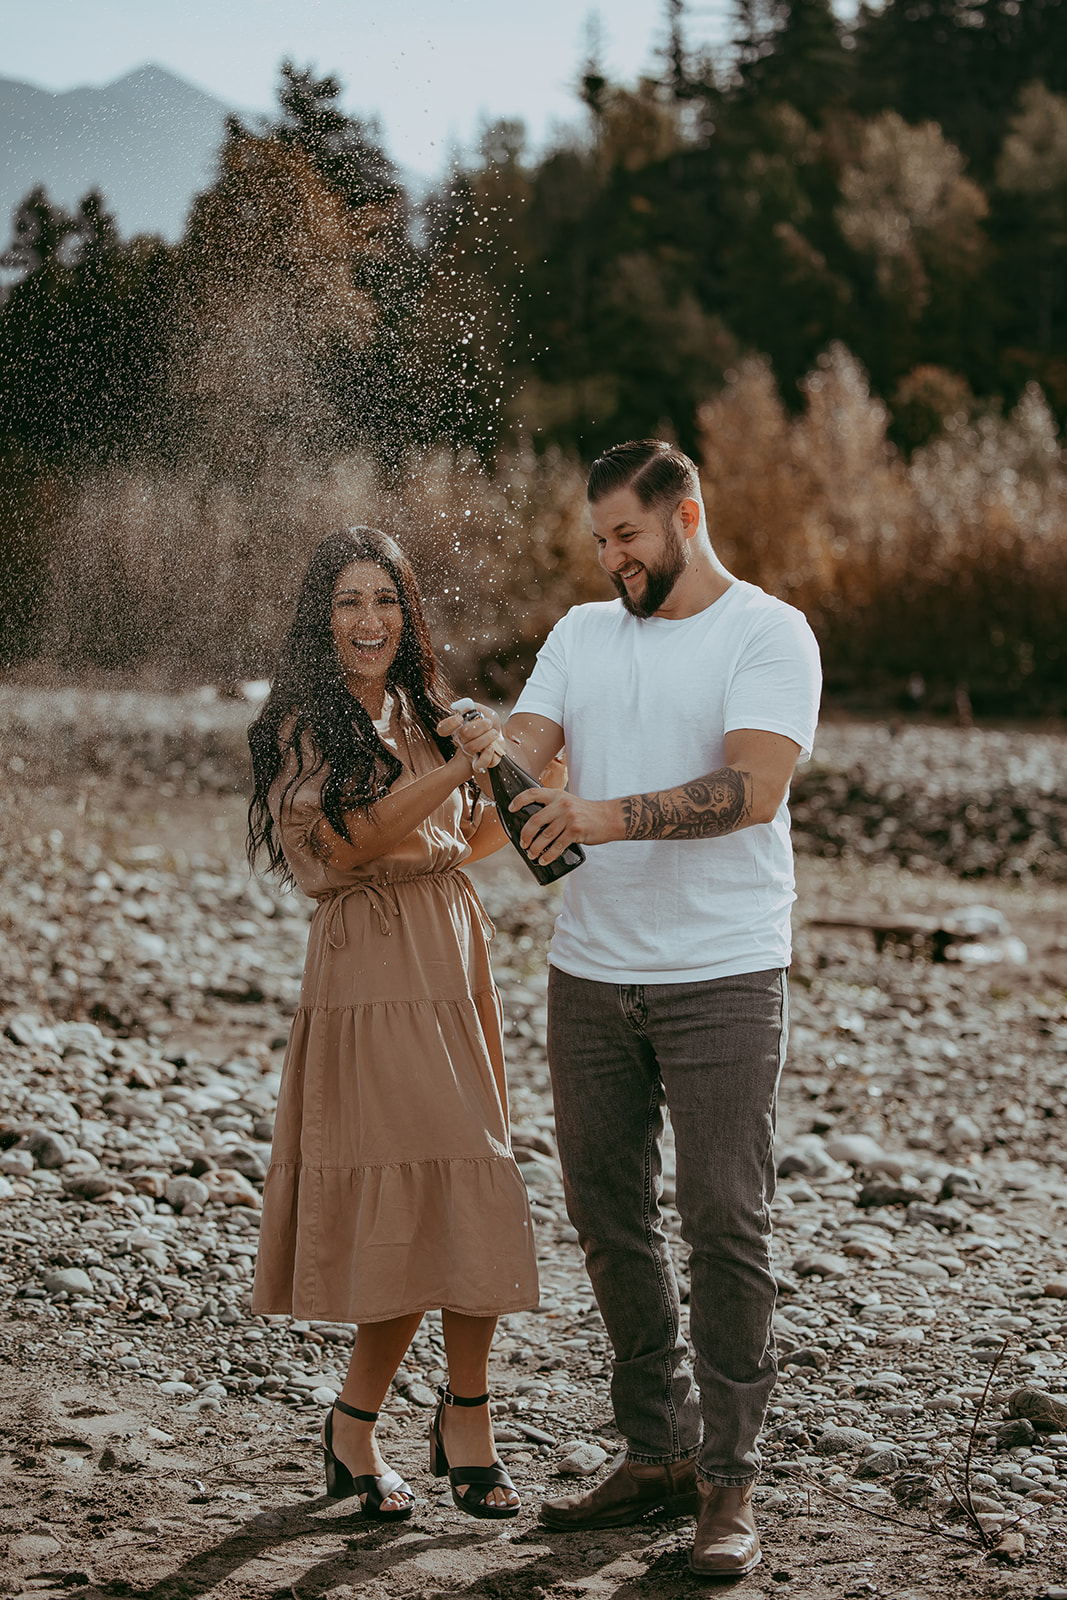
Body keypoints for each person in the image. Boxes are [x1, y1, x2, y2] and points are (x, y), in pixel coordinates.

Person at [444, 440, 821, 1575]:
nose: (611, 558)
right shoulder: (579, 633)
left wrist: (596, 817)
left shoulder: (766, 630)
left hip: (723, 974)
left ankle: (726, 1490)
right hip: (591, 973)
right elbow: (528, 752)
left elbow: (752, 789)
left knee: (722, 1222)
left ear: (685, 516)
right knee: (610, 1223)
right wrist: (481, 745)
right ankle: (654, 1452)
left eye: (626, 535)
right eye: (598, 539)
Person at [247, 527, 539, 1521]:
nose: (369, 620)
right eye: (347, 603)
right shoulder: (301, 722)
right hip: (366, 968)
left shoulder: (420, 714)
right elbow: (357, 837)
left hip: (447, 956)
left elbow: (460, 843)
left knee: (465, 1182)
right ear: (319, 620)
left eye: (384, 601)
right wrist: (454, 771)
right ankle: (397, 1424)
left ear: (406, 615)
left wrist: (507, 767)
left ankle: (422, 1418)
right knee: (433, 1183)